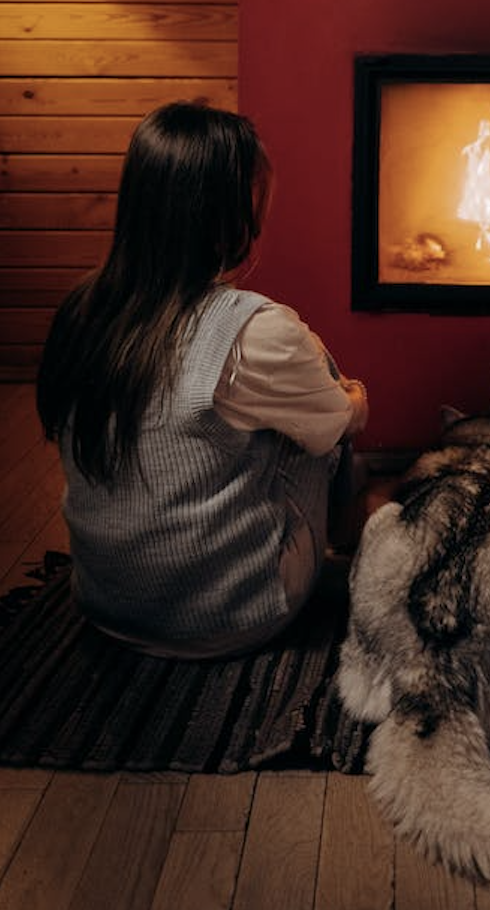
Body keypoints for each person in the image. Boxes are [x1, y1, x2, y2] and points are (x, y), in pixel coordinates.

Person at [36, 102, 369, 659]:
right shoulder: (251, 328)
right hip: (226, 617)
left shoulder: (80, 309)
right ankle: (350, 558)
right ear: (228, 215)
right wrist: (353, 401)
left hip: (104, 601)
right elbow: (334, 423)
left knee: (269, 411)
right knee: (325, 425)